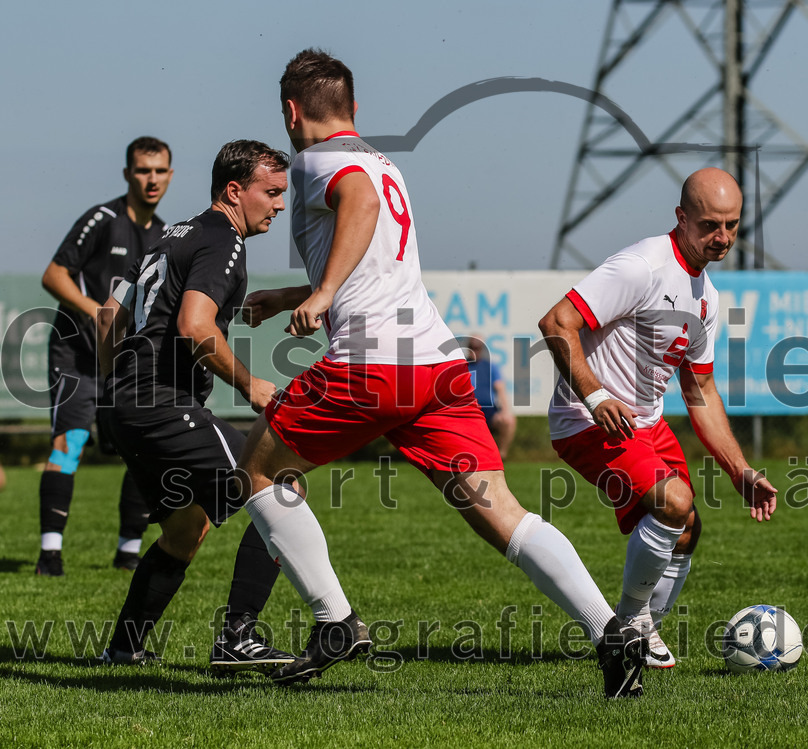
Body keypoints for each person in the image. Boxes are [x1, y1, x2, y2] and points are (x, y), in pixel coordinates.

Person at [236, 48, 648, 699]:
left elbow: (360, 208)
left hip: (371, 365)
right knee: (499, 510)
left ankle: (334, 620)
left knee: (259, 471)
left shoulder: (320, 161)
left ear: (292, 111)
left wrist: (320, 295)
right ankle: (611, 633)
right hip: (437, 366)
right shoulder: (381, 160)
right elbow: (377, 257)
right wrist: (295, 294)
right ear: (354, 108)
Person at [538, 168, 778, 669]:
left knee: (688, 528)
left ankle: (643, 627)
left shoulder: (706, 298)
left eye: (733, 225)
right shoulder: (642, 267)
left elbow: (701, 390)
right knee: (674, 503)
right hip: (588, 420)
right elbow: (557, 322)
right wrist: (596, 395)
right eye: (711, 224)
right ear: (681, 217)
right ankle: (627, 628)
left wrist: (740, 472)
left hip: (646, 421)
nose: (724, 237)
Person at [95, 140, 295, 673]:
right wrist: (252, 385)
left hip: (127, 406)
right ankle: (239, 636)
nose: (279, 205)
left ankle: (123, 648)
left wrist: (111, 392)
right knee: (281, 486)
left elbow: (108, 317)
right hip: (165, 404)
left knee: (186, 529)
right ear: (235, 191)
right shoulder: (223, 240)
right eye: (271, 193)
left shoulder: (170, 235)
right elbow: (193, 327)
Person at [37, 137, 173, 576]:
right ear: (127, 174)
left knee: (139, 449)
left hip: (121, 362)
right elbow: (54, 274)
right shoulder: (102, 218)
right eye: (142, 170)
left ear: (170, 175)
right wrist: (94, 310)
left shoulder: (166, 236)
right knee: (70, 445)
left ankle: (127, 553)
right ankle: (50, 555)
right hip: (75, 354)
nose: (151, 179)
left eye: (159, 171)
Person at [463, 335, 516, 458]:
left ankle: (501, 455)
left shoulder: (490, 366)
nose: (474, 351)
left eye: (477, 347)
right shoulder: (461, 366)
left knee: (508, 421)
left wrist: (505, 410)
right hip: (467, 410)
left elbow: (500, 388)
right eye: (472, 347)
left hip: (489, 410)